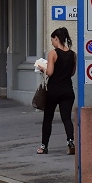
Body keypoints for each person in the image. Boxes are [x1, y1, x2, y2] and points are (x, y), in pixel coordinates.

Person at [37, 27, 76, 155]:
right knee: (67, 118)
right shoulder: (73, 54)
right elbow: (72, 73)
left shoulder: (53, 53)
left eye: (52, 40)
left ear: (56, 39)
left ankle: (44, 146)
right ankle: (70, 141)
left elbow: (50, 72)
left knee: (48, 118)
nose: (52, 42)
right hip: (68, 91)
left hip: (54, 91)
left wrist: (42, 68)